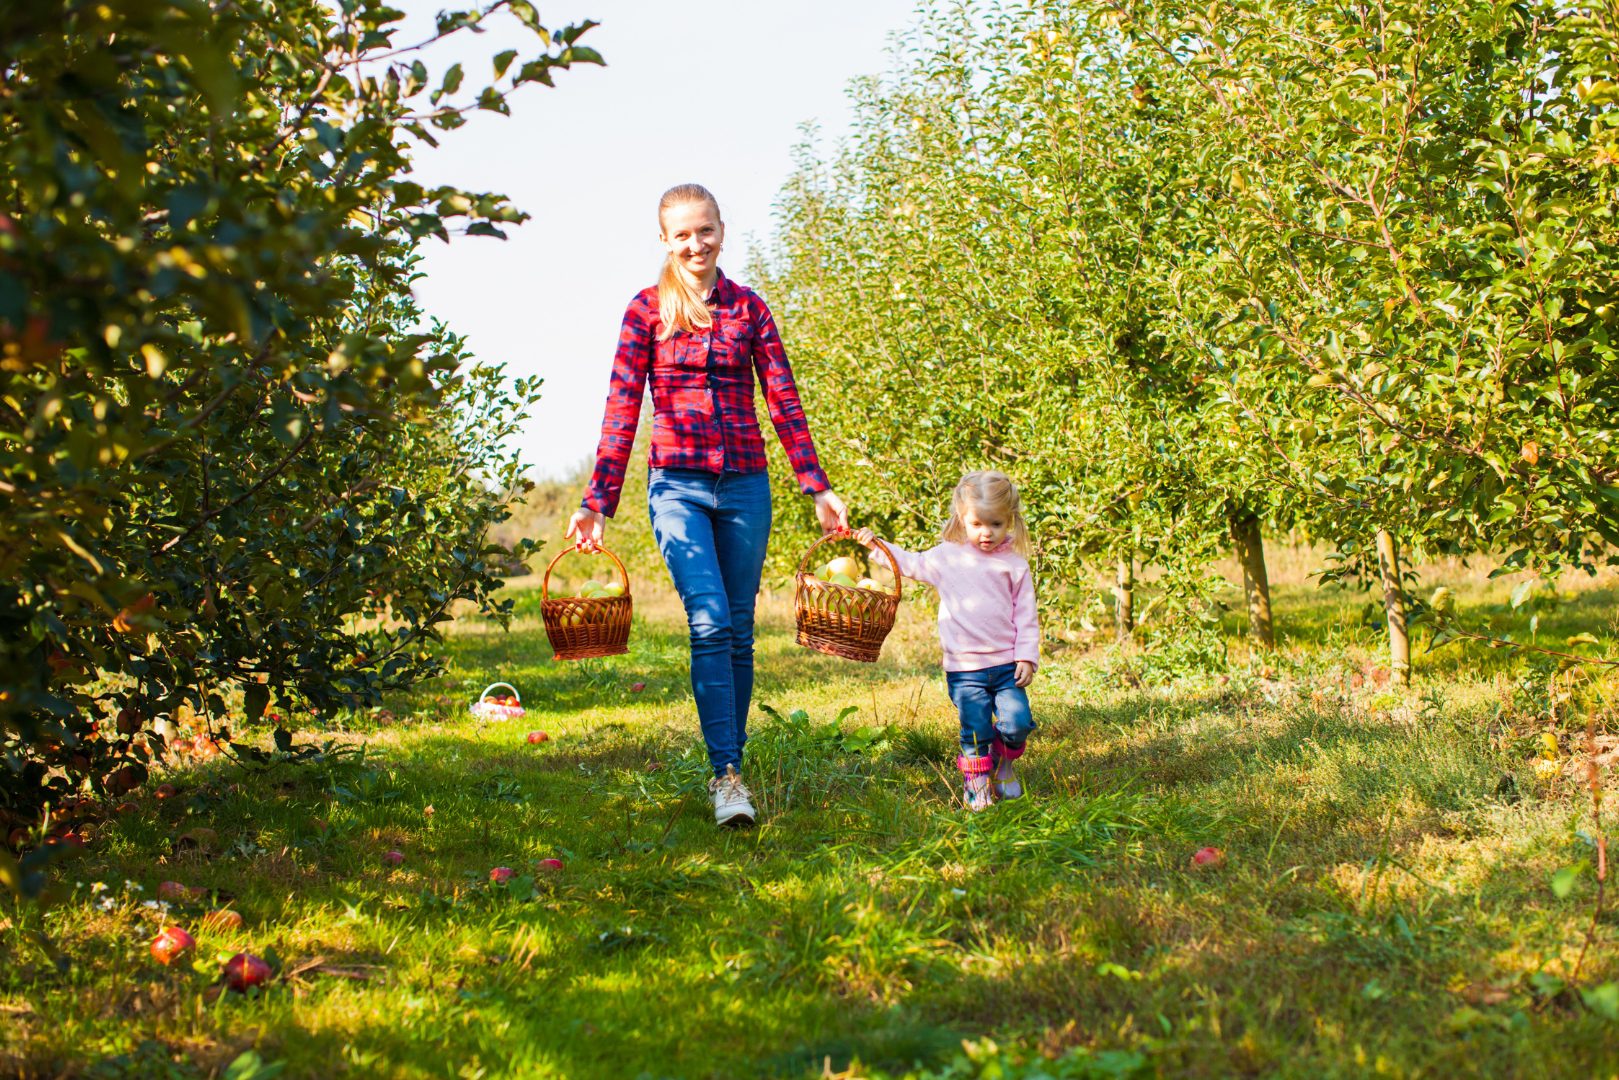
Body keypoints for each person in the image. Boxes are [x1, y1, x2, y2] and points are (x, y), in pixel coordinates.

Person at [566, 183, 849, 828]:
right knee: (710, 619)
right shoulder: (646, 313)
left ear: (722, 230)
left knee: (740, 628)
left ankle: (733, 766)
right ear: (664, 240)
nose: (695, 244)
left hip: (747, 484)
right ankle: (725, 776)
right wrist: (598, 498)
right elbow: (622, 409)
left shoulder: (749, 309)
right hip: (677, 486)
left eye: (706, 231)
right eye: (682, 234)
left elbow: (783, 400)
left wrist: (817, 485)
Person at [853, 470, 1039, 811]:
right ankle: (977, 781)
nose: (986, 533)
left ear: (1009, 520)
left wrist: (1027, 657)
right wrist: (876, 546)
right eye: (977, 524)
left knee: (1017, 724)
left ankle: (1003, 764)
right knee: (976, 729)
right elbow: (911, 563)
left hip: (1006, 664)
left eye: (996, 524)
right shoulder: (948, 556)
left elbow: (1026, 615)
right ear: (962, 519)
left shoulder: (1014, 565)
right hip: (965, 667)